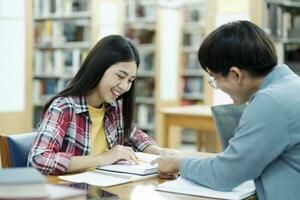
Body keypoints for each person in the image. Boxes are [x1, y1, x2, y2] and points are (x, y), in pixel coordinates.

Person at [152, 20, 300, 200]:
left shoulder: (270, 102)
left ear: (235, 74)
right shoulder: (291, 85)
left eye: (215, 79)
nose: (218, 87)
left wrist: (178, 163)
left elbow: (225, 174)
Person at [28, 35, 166, 175]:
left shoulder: (114, 109)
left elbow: (138, 139)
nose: (125, 87)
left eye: (130, 80)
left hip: (105, 189)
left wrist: (161, 153)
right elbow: (38, 160)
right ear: (99, 67)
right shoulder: (64, 107)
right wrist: (102, 158)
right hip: (71, 192)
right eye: (120, 76)